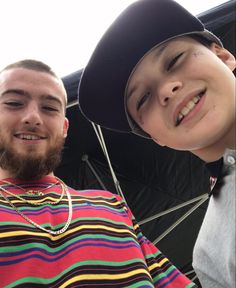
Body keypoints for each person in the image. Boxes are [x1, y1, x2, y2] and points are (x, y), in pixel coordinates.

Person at [78, 0, 236, 287]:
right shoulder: (209, 254)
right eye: (143, 99)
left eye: (175, 60)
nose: (166, 89)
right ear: (155, 137)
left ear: (223, 56)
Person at [0, 59, 196, 287]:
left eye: (49, 108)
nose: (33, 117)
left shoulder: (112, 206)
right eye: (14, 103)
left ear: (64, 128)